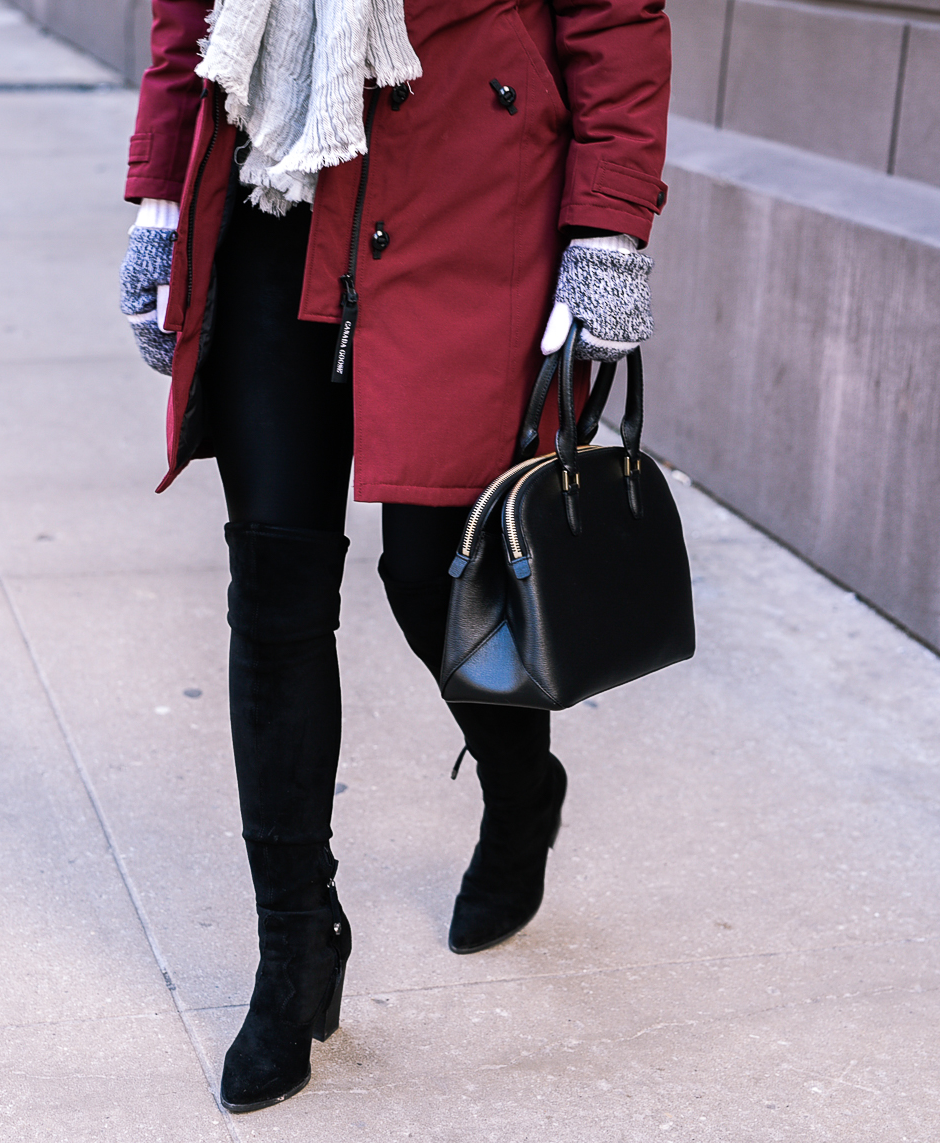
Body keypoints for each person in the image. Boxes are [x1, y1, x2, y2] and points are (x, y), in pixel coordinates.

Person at [120, 0, 670, 1113]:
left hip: (472, 189)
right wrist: (157, 202)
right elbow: (188, 14)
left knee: (439, 573)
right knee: (274, 586)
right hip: (275, 189)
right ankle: (294, 954)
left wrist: (608, 232)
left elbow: (615, 16)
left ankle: (521, 792)